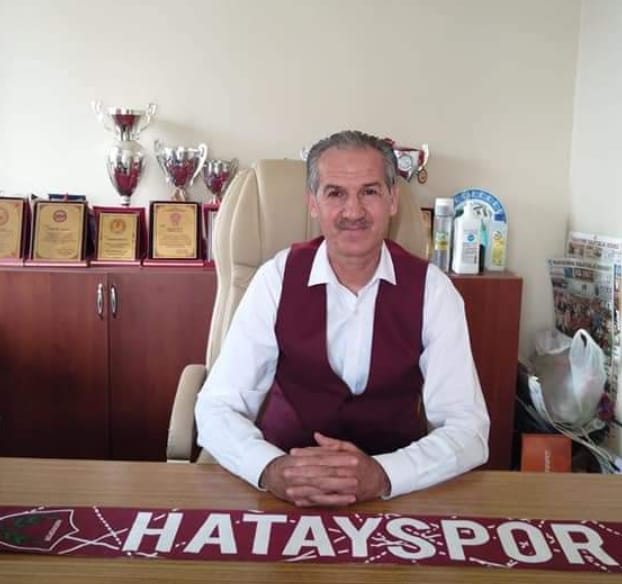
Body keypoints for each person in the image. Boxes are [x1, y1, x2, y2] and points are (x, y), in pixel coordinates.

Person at [195, 130, 489, 507]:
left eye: (369, 192)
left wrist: (385, 475)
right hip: (283, 495)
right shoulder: (276, 279)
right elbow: (216, 406)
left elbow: (468, 429)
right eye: (335, 193)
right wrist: (270, 468)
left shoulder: (433, 290)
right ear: (313, 203)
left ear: (392, 200)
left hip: (394, 498)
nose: (353, 212)